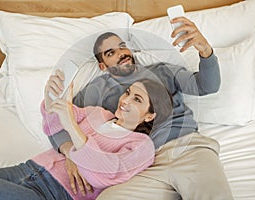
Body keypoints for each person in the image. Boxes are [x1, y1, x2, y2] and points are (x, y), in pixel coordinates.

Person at [46, 17, 234, 199]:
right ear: (102, 66)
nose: (121, 53)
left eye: (122, 47)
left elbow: (206, 86)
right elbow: (58, 115)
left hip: (186, 148)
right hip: (141, 165)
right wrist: (69, 151)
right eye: (110, 53)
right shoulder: (97, 89)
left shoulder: (162, 71)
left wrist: (205, 51)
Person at [0, 79, 174, 200]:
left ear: (150, 116)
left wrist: (72, 127)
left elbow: (106, 173)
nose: (125, 100)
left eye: (137, 99)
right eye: (128, 93)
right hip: (27, 168)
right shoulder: (98, 113)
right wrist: (51, 96)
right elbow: (53, 122)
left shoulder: (141, 146)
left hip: (52, 194)